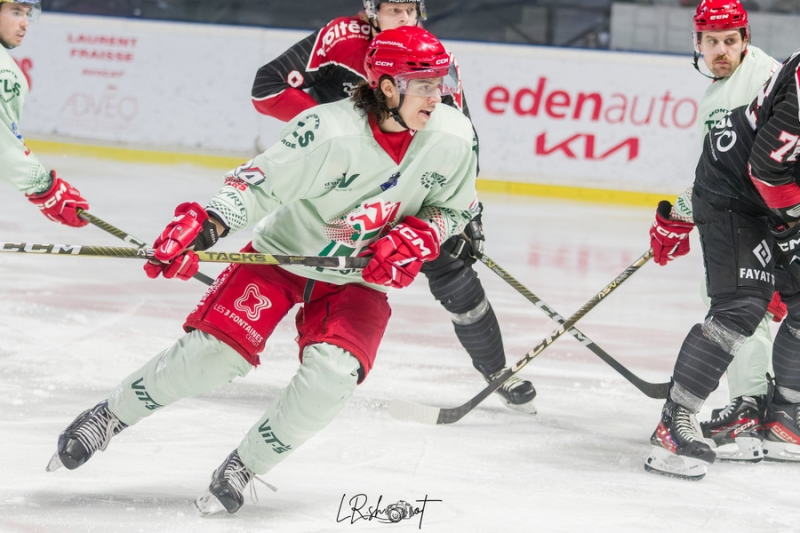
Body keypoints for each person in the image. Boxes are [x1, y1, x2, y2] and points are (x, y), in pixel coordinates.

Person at [47, 26, 479, 515]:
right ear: (386, 86)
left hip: (357, 277)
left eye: (440, 83)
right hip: (282, 258)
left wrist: (424, 233)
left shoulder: (453, 136)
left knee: (333, 378)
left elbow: (455, 209)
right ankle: (109, 416)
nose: (437, 96)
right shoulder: (328, 130)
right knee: (212, 357)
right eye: (423, 85)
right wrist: (205, 227)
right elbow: (257, 186)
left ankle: (245, 466)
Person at [250, 0, 537, 413]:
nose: (404, 20)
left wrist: (466, 211)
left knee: (454, 273)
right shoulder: (341, 38)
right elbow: (268, 86)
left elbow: (461, 135)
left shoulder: (430, 53)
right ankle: (254, 325)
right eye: (393, 10)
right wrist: (330, 132)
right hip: (345, 194)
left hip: (411, 190)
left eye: (410, 10)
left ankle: (498, 372)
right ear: (371, 12)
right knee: (317, 250)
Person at [644, 47, 800, 480]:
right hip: (734, 190)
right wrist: (682, 209)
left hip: (774, 193)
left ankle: (786, 417)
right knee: (743, 305)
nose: (719, 50)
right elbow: (767, 167)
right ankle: (675, 423)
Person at [0, 0, 89, 227]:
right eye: (16, 12)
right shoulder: (5, 71)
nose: (25, 23)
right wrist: (43, 187)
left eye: (27, 14)